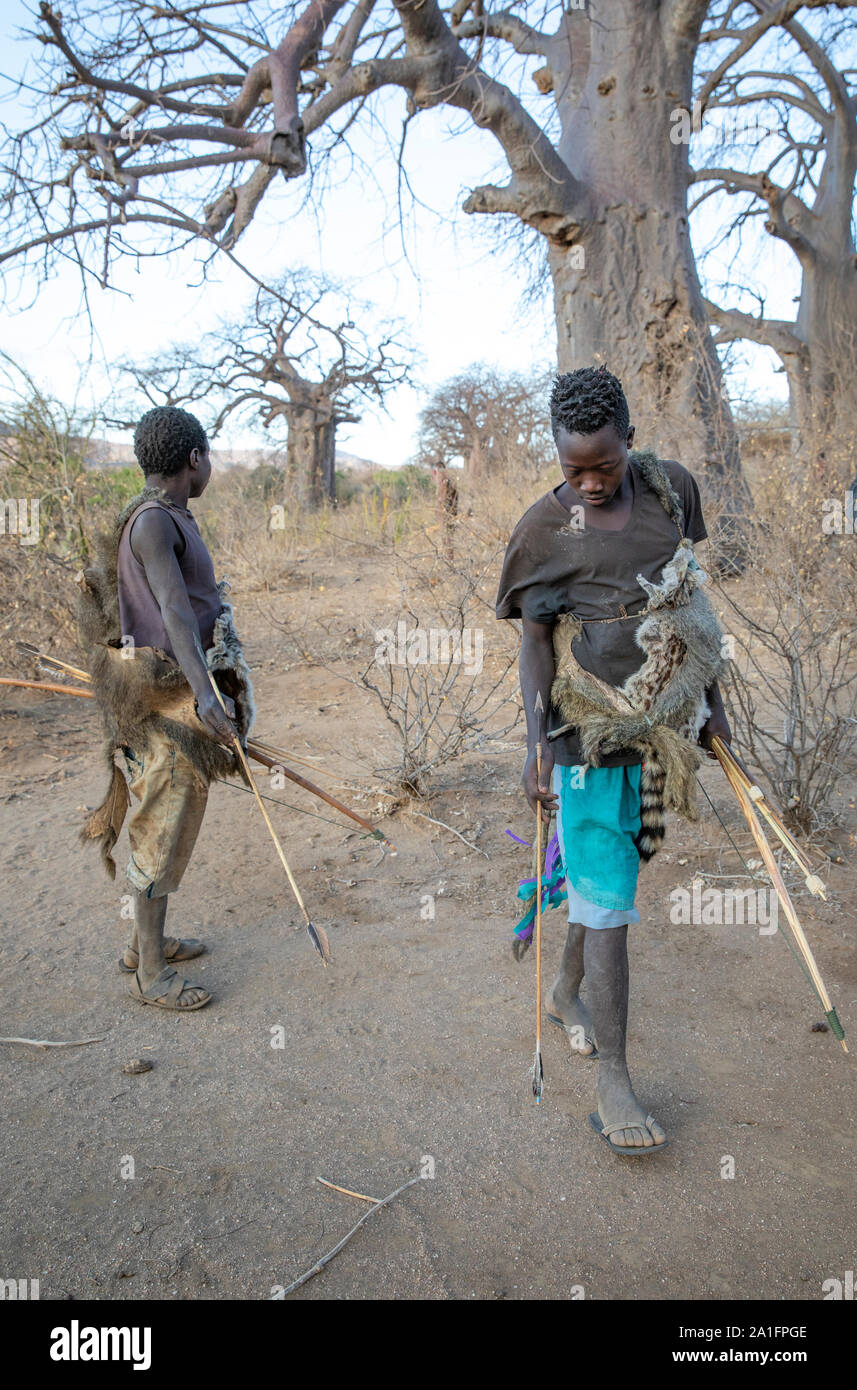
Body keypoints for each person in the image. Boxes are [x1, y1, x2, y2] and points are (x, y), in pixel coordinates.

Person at [496, 366, 731, 1154]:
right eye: (573, 470)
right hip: (584, 732)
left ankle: (566, 990)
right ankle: (615, 1081)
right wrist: (535, 744)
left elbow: (690, 605)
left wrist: (711, 708)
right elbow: (533, 642)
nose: (590, 483)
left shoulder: (671, 493)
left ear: (630, 439)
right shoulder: (542, 532)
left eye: (603, 464)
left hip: (659, 724)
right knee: (607, 901)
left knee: (621, 870)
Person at [79, 406, 255, 1013]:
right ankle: (151, 973)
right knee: (164, 819)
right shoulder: (153, 523)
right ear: (194, 458)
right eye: (209, 457)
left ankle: (143, 945)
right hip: (165, 700)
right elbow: (175, 612)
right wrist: (206, 696)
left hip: (175, 691)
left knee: (169, 816)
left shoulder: (170, 517)